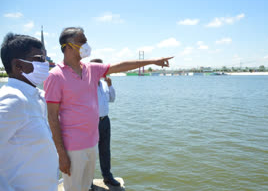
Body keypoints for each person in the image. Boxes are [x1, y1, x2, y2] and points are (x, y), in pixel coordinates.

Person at [44, 27, 173, 191]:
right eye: (82, 41)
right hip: (72, 147)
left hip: (91, 142)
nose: (86, 44)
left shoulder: (90, 68)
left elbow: (121, 66)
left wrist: (152, 61)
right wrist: (61, 154)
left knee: (85, 187)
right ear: (68, 46)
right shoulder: (55, 76)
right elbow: (52, 117)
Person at [0, 33, 59, 191]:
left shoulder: (35, 95)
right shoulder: (12, 100)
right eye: (39, 59)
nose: (45, 63)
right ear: (18, 66)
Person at [90, 58, 119, 188]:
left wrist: (111, 85)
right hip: (91, 121)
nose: (102, 70)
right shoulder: (86, 84)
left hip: (105, 120)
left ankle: (107, 176)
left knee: (105, 150)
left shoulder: (104, 84)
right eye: (99, 68)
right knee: (90, 152)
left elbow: (112, 99)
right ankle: (88, 181)